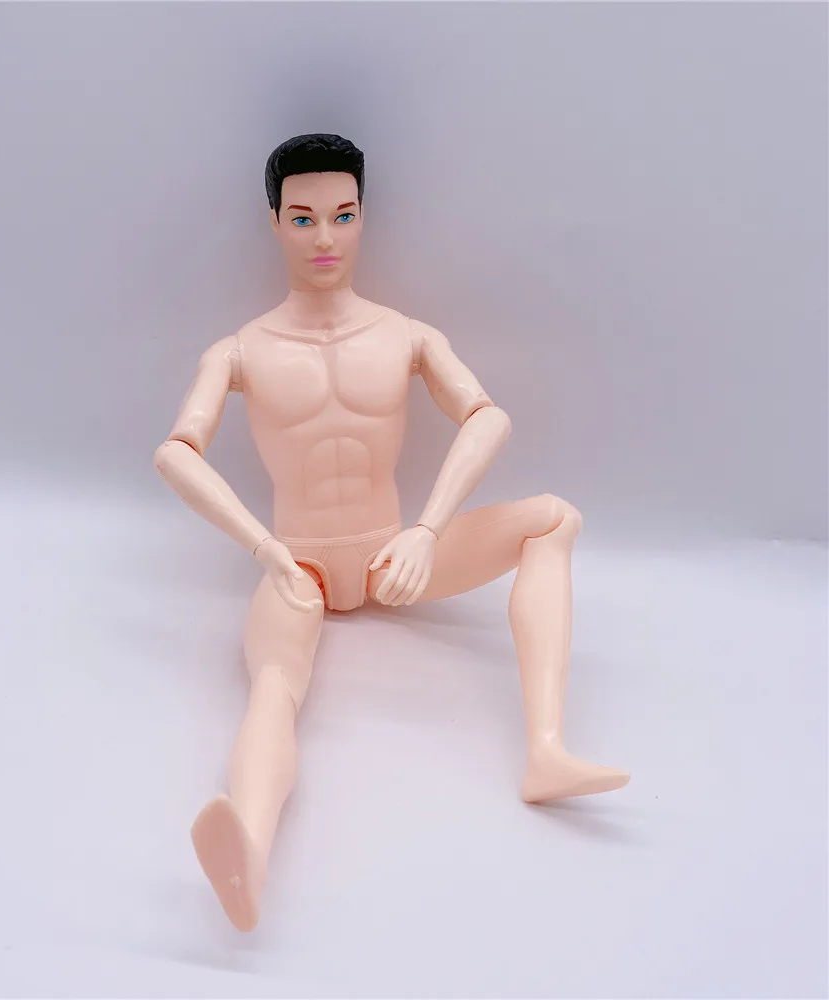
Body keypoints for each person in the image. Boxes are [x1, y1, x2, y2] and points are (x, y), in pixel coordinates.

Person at [155, 133, 629, 932]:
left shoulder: (405, 335)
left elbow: (487, 416)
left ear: (364, 216)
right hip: (297, 567)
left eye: (343, 215)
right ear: (274, 222)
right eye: (303, 218)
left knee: (553, 518)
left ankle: (546, 749)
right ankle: (250, 854)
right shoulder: (239, 351)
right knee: (273, 690)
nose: (325, 237)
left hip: (392, 554)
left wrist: (427, 531)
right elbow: (175, 452)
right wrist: (266, 549)